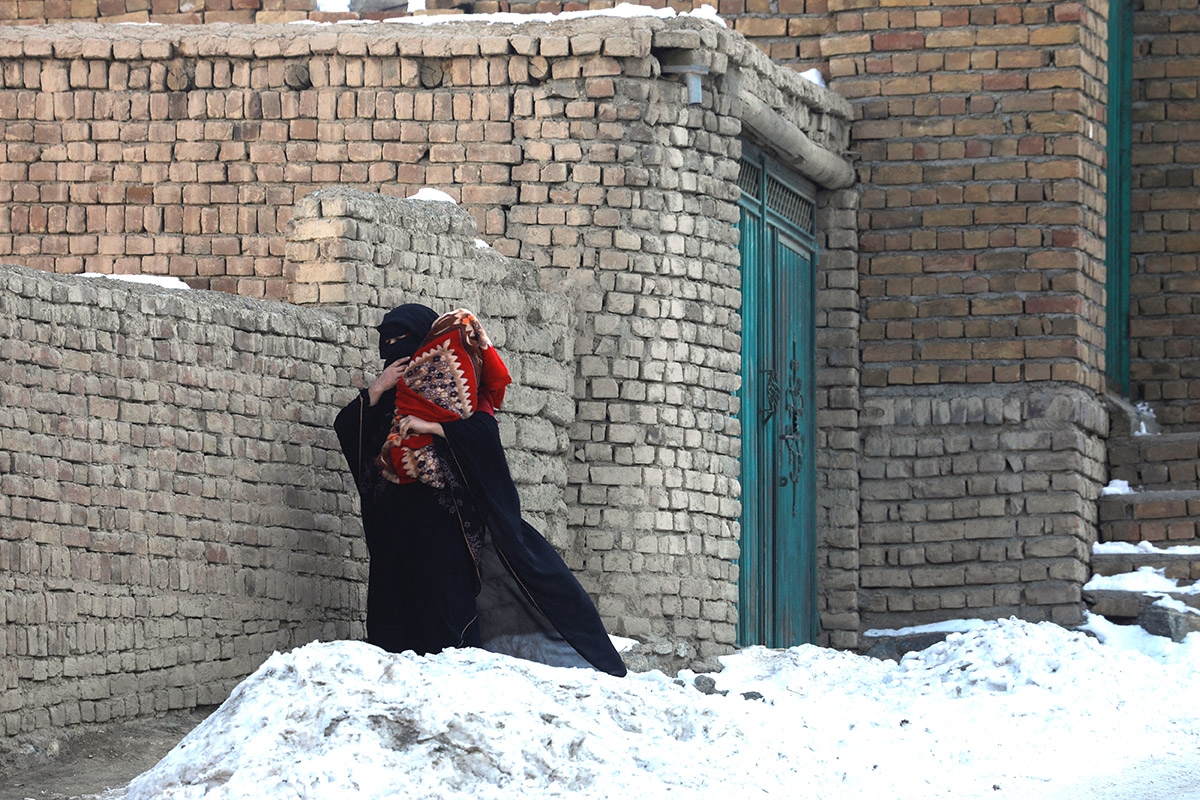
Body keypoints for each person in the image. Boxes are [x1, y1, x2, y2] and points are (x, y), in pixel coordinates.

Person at [334, 303, 627, 677]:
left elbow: (483, 435)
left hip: (444, 525)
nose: (394, 348)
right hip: (395, 529)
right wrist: (377, 389)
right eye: (387, 342)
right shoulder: (389, 396)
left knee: (444, 610)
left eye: (402, 340)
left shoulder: (457, 391)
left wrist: (433, 426)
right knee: (393, 610)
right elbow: (348, 430)